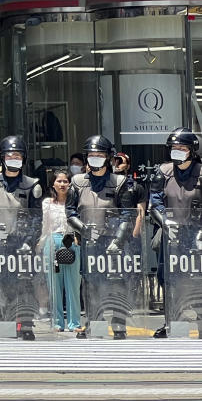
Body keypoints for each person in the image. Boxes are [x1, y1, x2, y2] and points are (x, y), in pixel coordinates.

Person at [66, 133, 141, 339]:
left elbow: (127, 214)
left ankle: (119, 325)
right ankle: (93, 324)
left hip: (114, 241)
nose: (95, 157)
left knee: (117, 284)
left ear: (108, 157)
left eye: (99, 154)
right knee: (91, 283)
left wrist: (118, 240)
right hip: (89, 242)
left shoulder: (120, 182)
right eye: (91, 154)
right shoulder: (78, 182)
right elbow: (70, 212)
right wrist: (83, 229)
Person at [0, 135, 43, 340]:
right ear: (2, 158)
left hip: (24, 245)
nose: (14, 158)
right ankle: (5, 323)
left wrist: (28, 241)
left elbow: (37, 218)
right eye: (9, 155)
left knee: (25, 284)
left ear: (24, 158)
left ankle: (25, 323)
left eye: (18, 155)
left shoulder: (33, 185)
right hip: (2, 243)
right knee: (4, 285)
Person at [148, 127, 202, 338]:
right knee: (168, 279)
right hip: (170, 233)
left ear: (192, 149)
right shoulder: (163, 171)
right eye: (174, 148)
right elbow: (154, 203)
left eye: (182, 148)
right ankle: (171, 322)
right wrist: (166, 223)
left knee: (196, 279)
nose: (177, 151)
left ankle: (199, 322)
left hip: (196, 235)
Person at [42, 167, 81, 332]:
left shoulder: (76, 202)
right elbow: (44, 226)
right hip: (52, 241)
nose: (62, 184)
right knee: (54, 285)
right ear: (53, 183)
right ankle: (57, 322)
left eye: (65, 181)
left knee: (73, 284)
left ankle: (74, 323)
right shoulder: (46, 203)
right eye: (59, 181)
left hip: (71, 241)